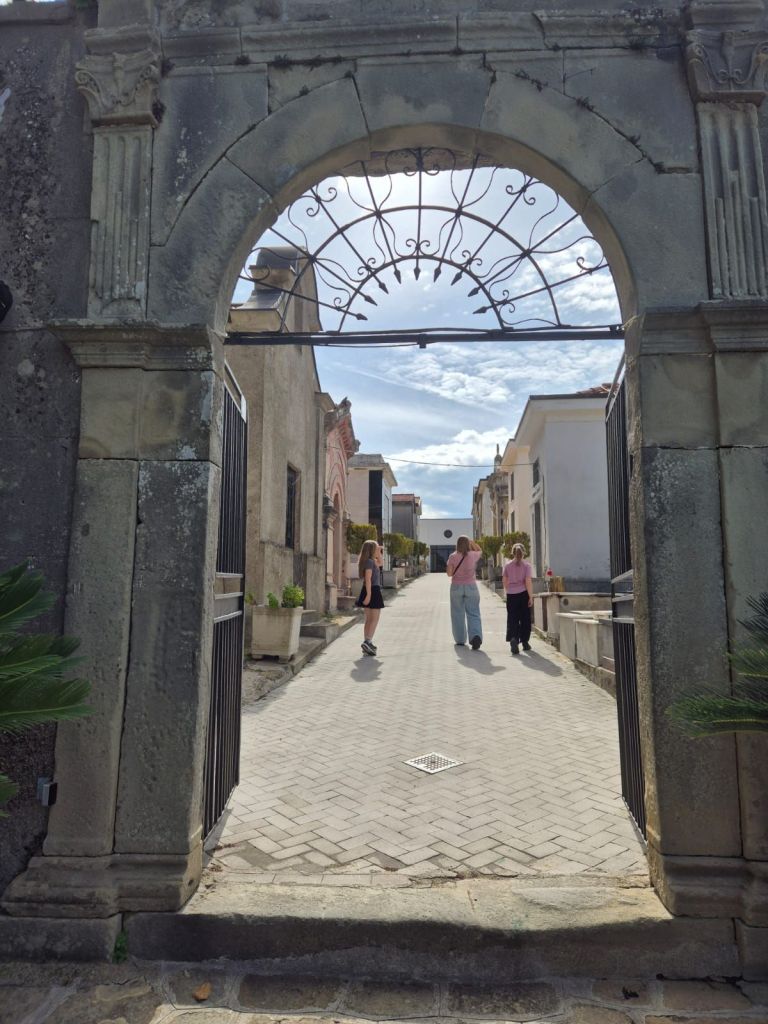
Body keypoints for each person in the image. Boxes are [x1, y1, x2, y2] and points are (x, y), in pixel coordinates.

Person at [446, 536, 483, 649]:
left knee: (457, 613)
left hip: (456, 587)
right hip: (471, 586)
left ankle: (460, 639)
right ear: (468, 544)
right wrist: (473, 543)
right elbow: (480, 550)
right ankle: (475, 636)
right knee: (474, 612)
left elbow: (449, 574)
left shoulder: (452, 556)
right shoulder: (473, 555)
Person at [503, 543, 533, 655]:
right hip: (523, 594)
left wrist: (508, 591)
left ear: (513, 553)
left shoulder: (507, 566)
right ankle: (525, 642)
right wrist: (530, 597)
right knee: (525, 619)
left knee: (512, 619)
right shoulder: (527, 566)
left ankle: (514, 638)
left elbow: (505, 581)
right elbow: (528, 581)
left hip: (511, 595)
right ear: (523, 553)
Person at [355, 539, 385, 656]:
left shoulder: (371, 561)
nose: (378, 550)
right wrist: (368, 595)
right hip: (372, 590)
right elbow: (368, 579)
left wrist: (379, 552)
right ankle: (368, 641)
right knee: (374, 619)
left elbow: (381, 563)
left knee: (369, 619)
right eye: (376, 548)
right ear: (372, 550)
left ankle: (367, 642)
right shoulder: (369, 562)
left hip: (370, 590)